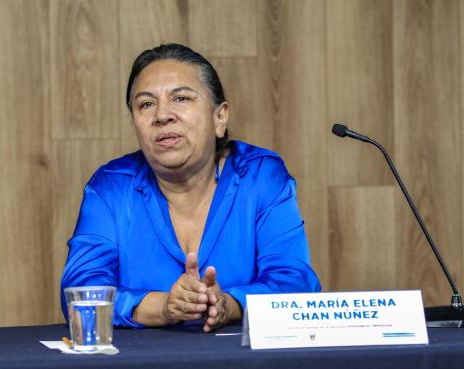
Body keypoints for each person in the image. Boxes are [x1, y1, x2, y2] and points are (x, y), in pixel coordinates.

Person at [61, 43, 321, 332]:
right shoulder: (111, 187)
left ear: (219, 117)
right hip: (141, 360)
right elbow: (81, 293)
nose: (162, 115)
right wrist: (163, 307)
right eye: (146, 104)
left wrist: (230, 305)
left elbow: (295, 284)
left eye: (181, 98)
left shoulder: (260, 176)